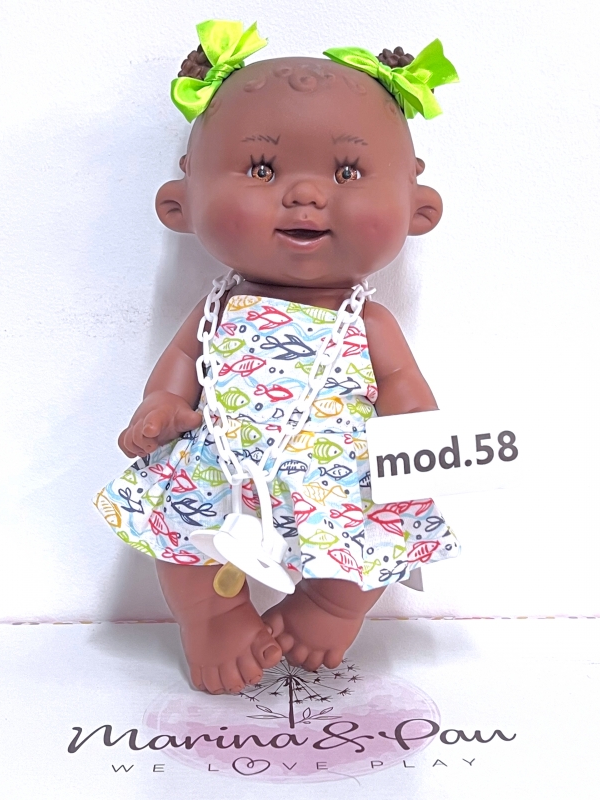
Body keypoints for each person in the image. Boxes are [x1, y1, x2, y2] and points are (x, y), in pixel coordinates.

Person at [95, 20, 459, 695]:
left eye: (348, 172)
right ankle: (212, 618)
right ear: (181, 204)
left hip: (339, 472)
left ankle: (330, 606)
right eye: (262, 170)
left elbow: (403, 385)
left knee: (372, 541)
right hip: (222, 462)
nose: (307, 195)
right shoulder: (216, 311)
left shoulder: (369, 323)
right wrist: (161, 405)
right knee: (185, 535)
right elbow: (181, 362)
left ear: (419, 208)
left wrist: (416, 437)